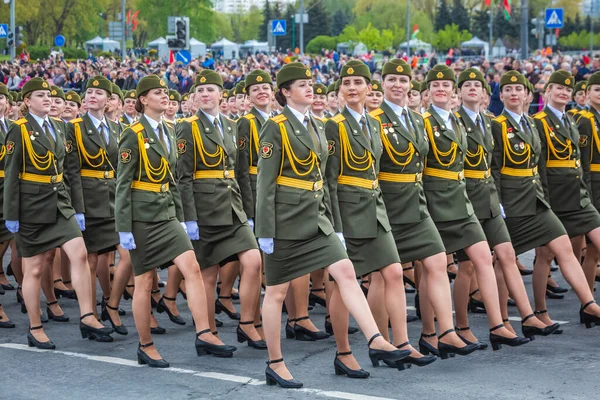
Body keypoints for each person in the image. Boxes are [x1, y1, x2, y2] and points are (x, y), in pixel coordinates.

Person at [256, 62, 407, 388]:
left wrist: (334, 223)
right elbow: (265, 183)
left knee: (346, 272)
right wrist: (265, 231)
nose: (309, 89)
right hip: (285, 220)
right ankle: (275, 361)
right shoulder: (276, 127)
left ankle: (376, 339)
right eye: (301, 85)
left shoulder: (316, 124)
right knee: (277, 292)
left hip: (317, 217)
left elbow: (323, 179)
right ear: (285, 92)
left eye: (310, 84)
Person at [116, 75, 236, 368]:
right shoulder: (133, 134)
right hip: (142, 217)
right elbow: (123, 184)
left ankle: (204, 332)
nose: (165, 97)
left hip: (168, 213)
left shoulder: (169, 131)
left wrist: (182, 218)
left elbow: (174, 180)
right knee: (144, 281)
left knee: (192, 268)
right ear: (143, 100)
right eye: (158, 93)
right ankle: (145, 344)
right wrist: (123, 227)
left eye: (166, 92)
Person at [368, 58, 476, 360]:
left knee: (438, 261)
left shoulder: (416, 120)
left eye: (403, 81)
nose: (398, 85)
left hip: (416, 203)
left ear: (410, 86)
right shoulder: (373, 119)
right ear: (383, 83)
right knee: (382, 275)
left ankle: (446, 332)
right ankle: (385, 343)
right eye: (391, 80)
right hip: (387, 205)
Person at [422, 65, 529, 351]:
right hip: (436, 202)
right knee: (433, 268)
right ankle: (432, 332)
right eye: (436, 85)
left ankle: (496, 325)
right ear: (427, 91)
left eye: (447, 85)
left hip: (464, 200)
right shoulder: (424, 121)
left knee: (483, 257)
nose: (442, 89)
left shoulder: (462, 123)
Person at [3, 77, 114, 349]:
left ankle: (88, 316)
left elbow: (70, 170)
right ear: (27, 101)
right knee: (35, 267)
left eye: (49, 96)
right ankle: (35, 326)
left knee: (78, 253)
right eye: (40, 95)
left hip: (60, 202)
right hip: (31, 206)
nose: (47, 100)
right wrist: (11, 214)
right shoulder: (19, 129)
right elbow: (11, 175)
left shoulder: (58, 127)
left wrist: (77, 208)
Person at [453, 68, 558, 341]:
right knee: (467, 267)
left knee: (507, 255)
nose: (473, 89)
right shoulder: (454, 121)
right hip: (465, 201)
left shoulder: (488, 123)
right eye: (467, 85)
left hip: (488, 199)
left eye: (478, 85)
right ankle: (462, 327)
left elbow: (493, 165)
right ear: (459, 92)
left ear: (486, 94)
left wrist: (497, 199)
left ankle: (525, 317)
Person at [175, 70, 264, 348]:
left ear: (220, 95)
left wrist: (248, 212)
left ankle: (247, 323)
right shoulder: (187, 127)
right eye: (200, 91)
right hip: (205, 209)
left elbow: (238, 172)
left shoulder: (230, 124)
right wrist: (188, 218)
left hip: (233, 206)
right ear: (193, 97)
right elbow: (183, 176)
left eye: (210, 90)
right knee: (208, 274)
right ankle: (209, 331)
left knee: (253, 261)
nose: (205, 95)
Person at [531, 70, 600, 328]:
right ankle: (539, 312)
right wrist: (543, 202)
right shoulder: (538, 121)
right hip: (554, 198)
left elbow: (579, 162)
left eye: (567, 90)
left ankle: (588, 304)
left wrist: (586, 193)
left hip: (579, 196)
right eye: (558, 88)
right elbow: (540, 165)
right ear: (547, 91)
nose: (563, 93)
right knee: (545, 256)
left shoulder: (570, 120)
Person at [578, 71, 600, 289]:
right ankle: (587, 298)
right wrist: (589, 195)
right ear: (587, 94)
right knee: (593, 249)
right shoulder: (586, 120)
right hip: (595, 183)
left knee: (594, 250)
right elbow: (584, 163)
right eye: (597, 90)